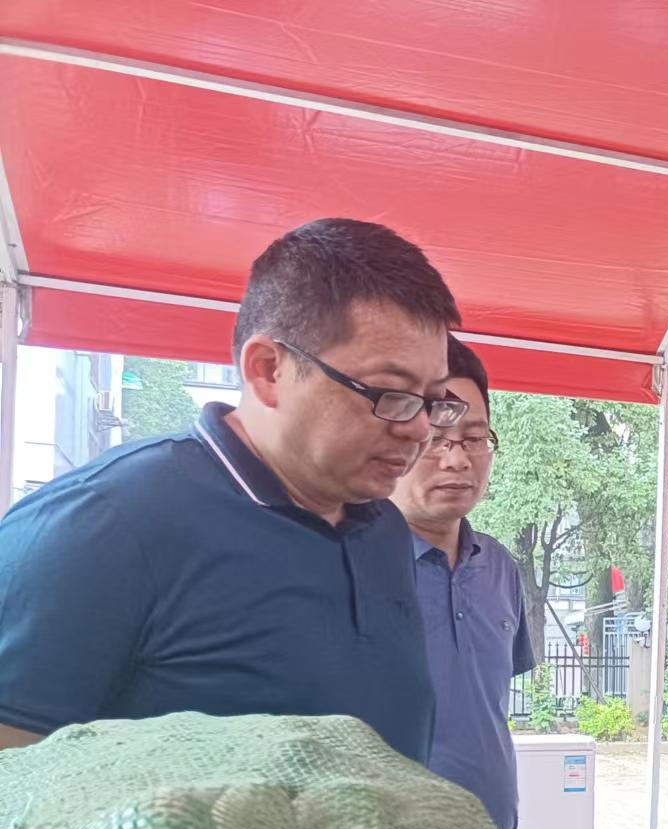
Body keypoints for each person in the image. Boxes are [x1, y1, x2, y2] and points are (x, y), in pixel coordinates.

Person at [0, 217, 463, 760]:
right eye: (389, 392)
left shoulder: (382, 525)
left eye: (433, 399)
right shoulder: (101, 525)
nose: (418, 427)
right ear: (268, 370)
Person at [390, 337, 535, 829]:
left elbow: (485, 710)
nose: (457, 460)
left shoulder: (498, 567)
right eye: (436, 440)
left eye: (474, 438)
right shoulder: (348, 564)